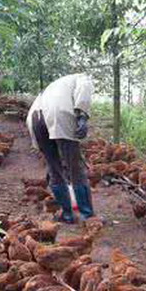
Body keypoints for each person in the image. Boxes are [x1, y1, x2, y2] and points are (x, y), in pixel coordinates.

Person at [26, 73, 94, 223]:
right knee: (75, 167)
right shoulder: (83, 77)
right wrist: (82, 117)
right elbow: (83, 92)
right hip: (59, 113)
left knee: (54, 167)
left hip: (34, 118)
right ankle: (86, 215)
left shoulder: (56, 84)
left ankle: (67, 214)